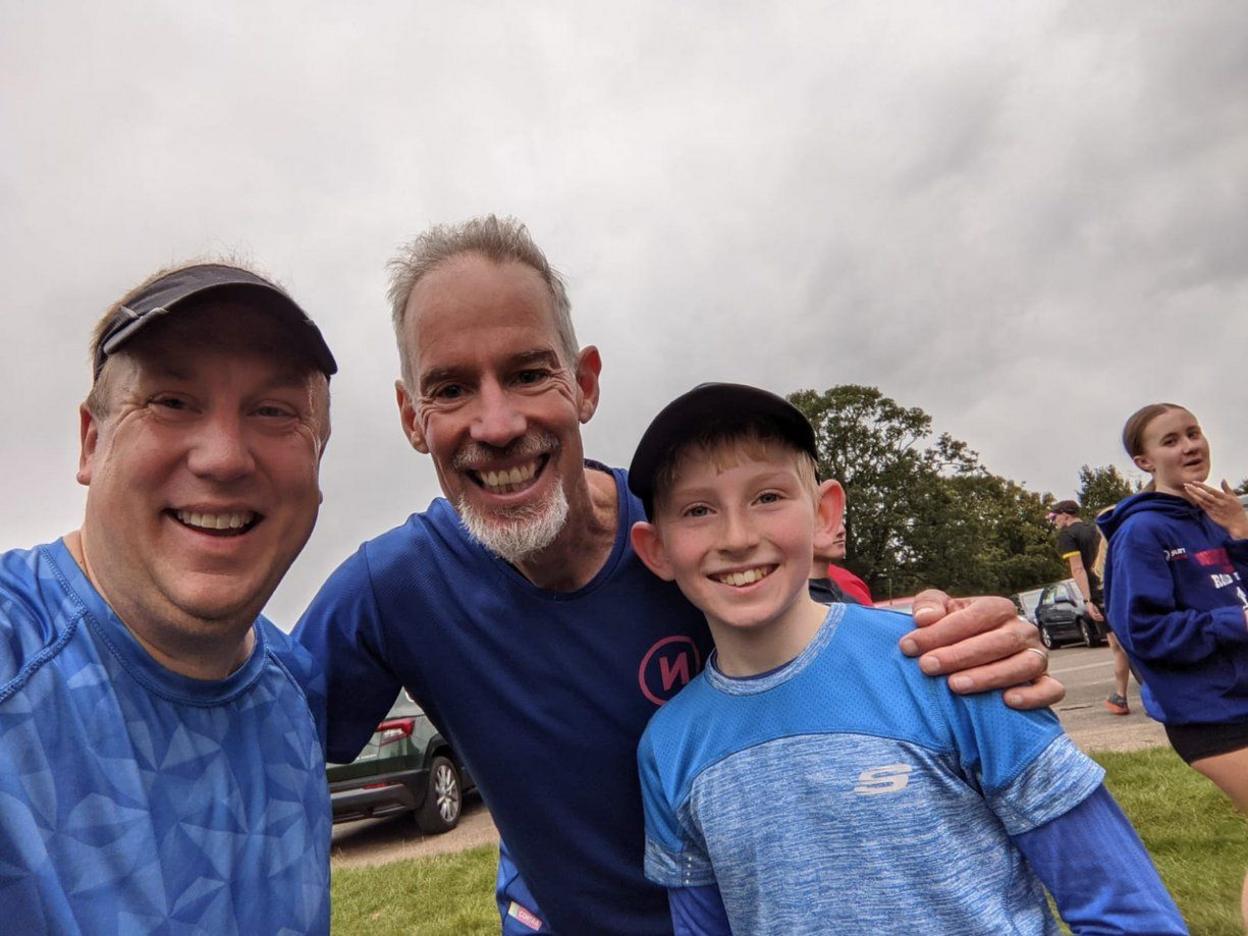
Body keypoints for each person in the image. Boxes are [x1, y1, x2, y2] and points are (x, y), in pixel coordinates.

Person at [292, 215, 1063, 936]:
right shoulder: (390, 591)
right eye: (451, 389)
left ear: (585, 383)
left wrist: (948, 641)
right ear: (410, 416)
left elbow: (837, 647)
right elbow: (244, 733)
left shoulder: (691, 540)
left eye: (529, 374)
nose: (496, 425)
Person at [628, 383, 1185, 935]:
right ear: (656, 550)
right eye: (698, 510)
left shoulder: (951, 662)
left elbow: (1124, 908)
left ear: (825, 514)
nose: (737, 536)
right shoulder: (668, 745)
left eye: (767, 497)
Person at [0, 264, 336, 934]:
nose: (223, 457)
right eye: (172, 401)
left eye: (273, 412)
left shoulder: (292, 691)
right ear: (92, 441)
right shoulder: (16, 660)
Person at [1098, 402, 1248, 929]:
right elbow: (1143, 633)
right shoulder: (1142, 534)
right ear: (1145, 461)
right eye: (1170, 441)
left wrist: (1241, 534)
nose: (1189, 446)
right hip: (1211, 717)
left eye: (1193, 432)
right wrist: (1238, 624)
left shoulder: (1219, 515)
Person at [1048, 499, 1133, 715]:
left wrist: (1087, 599)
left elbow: (1077, 569)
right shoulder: (1095, 527)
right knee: (1125, 640)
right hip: (1122, 583)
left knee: (1119, 645)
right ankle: (1121, 695)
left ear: (1064, 516)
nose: (1054, 521)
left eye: (1054, 517)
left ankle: (1124, 697)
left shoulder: (1068, 535)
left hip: (1101, 591)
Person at [819, 517, 873, 604]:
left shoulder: (845, 582)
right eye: (825, 523)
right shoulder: (843, 582)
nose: (841, 530)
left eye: (841, 521)